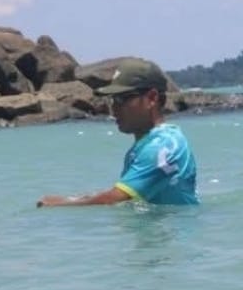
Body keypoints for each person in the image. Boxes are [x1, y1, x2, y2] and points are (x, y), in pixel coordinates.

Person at [37, 57, 199, 207]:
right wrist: (76, 198)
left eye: (122, 99)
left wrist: (59, 204)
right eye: (113, 100)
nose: (114, 108)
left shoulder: (161, 148)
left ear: (152, 98)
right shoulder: (149, 144)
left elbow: (115, 198)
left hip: (171, 228)